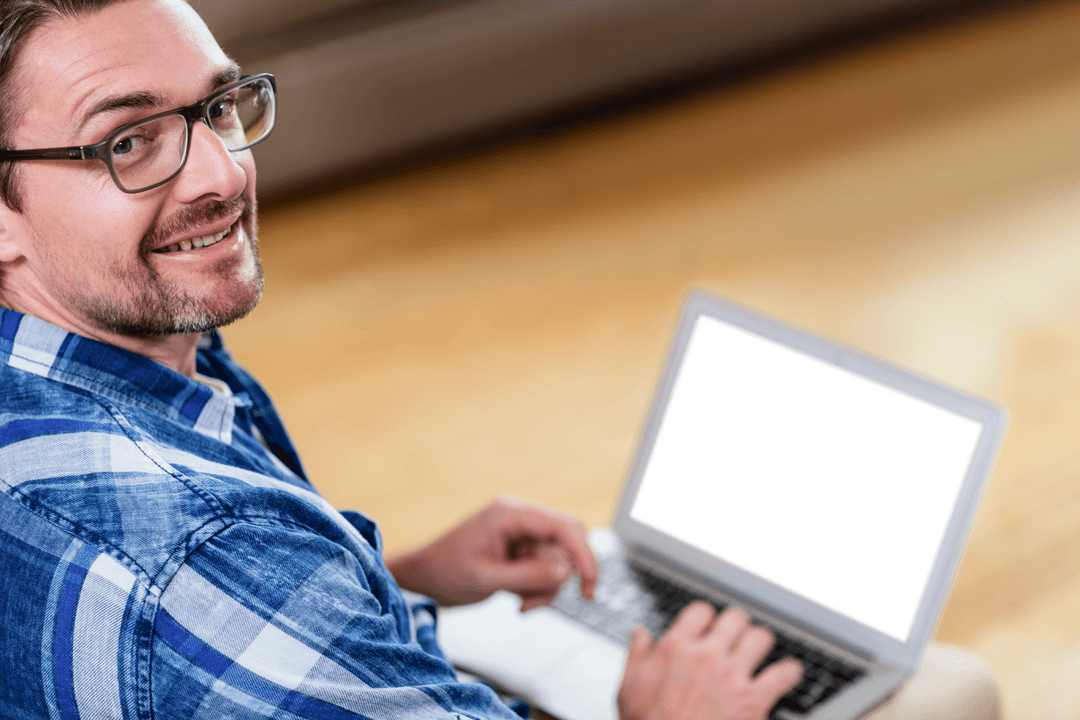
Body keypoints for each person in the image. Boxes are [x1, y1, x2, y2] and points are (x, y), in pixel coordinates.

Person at [0, 1, 1000, 718]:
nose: (220, 173)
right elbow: (192, 589)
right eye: (127, 141)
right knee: (952, 693)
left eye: (219, 108)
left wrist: (389, 580)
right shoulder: (203, 554)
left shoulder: (111, 371)